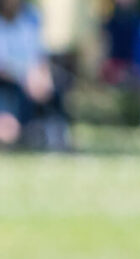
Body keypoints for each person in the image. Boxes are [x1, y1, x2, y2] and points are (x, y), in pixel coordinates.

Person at [0, 0, 69, 150]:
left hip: (33, 79)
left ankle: (56, 136)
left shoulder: (31, 17)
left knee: (57, 88)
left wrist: (43, 77)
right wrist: (25, 78)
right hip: (8, 83)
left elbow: (39, 54)